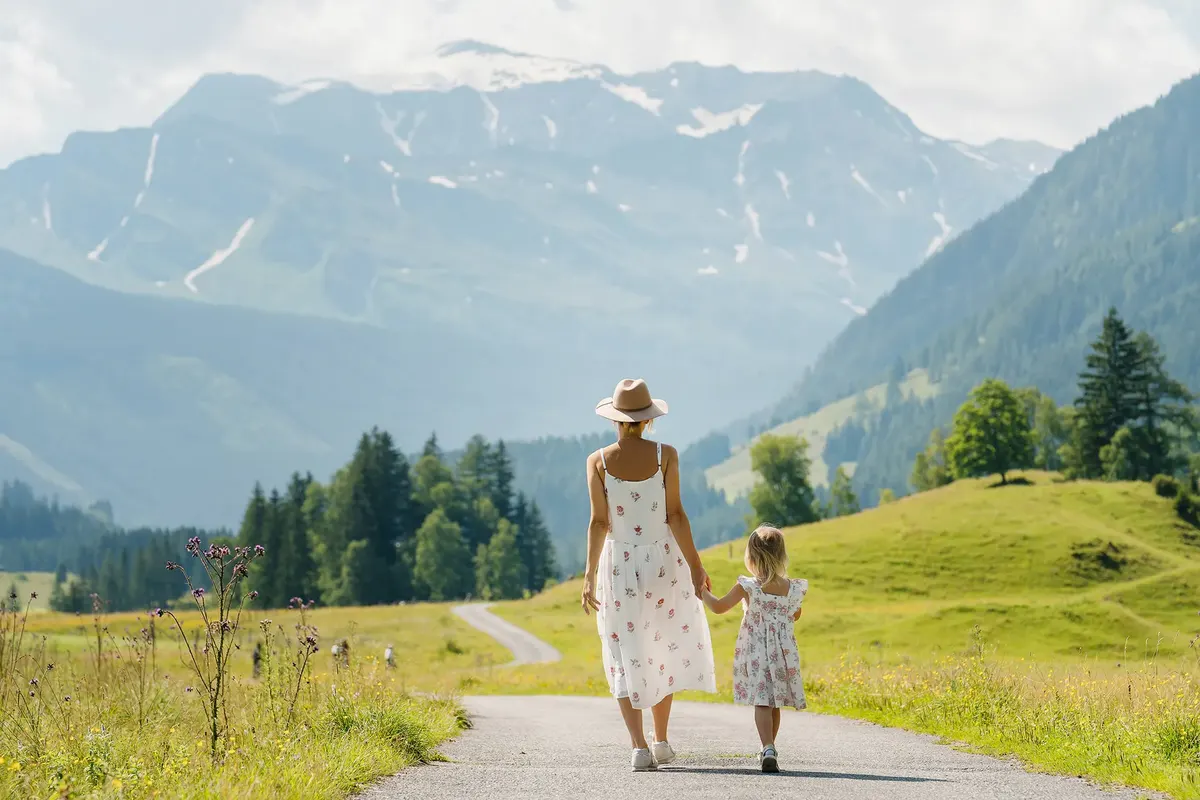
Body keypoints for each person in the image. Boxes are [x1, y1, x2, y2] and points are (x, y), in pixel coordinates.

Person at [581, 378, 716, 772]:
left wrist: (589, 575)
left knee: (624, 651)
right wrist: (695, 564)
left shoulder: (598, 461)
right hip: (663, 563)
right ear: (647, 420)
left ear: (617, 420)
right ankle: (661, 741)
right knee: (663, 645)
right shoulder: (666, 455)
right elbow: (675, 515)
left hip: (618, 565)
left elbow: (598, 523)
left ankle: (638, 747)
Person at [701, 525, 807, 773]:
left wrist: (702, 592)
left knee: (762, 701)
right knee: (775, 701)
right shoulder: (791, 588)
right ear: (781, 556)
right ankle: (769, 747)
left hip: (758, 653)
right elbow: (796, 614)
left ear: (751, 557)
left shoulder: (748, 586)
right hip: (783, 653)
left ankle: (767, 746)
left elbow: (718, 607)